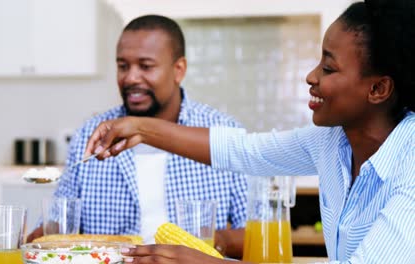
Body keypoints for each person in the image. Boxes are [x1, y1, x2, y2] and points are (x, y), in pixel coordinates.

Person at [85, 0, 415, 263]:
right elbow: (244, 151)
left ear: (379, 89)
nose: (311, 76)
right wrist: (140, 127)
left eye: (328, 68)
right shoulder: (332, 141)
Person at [27, 14, 248, 254]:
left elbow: (255, 232)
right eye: (123, 66)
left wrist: (208, 242)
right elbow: (57, 226)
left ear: (179, 70)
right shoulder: (89, 135)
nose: (131, 78)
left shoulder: (222, 134)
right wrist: (28, 239)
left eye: (146, 66)